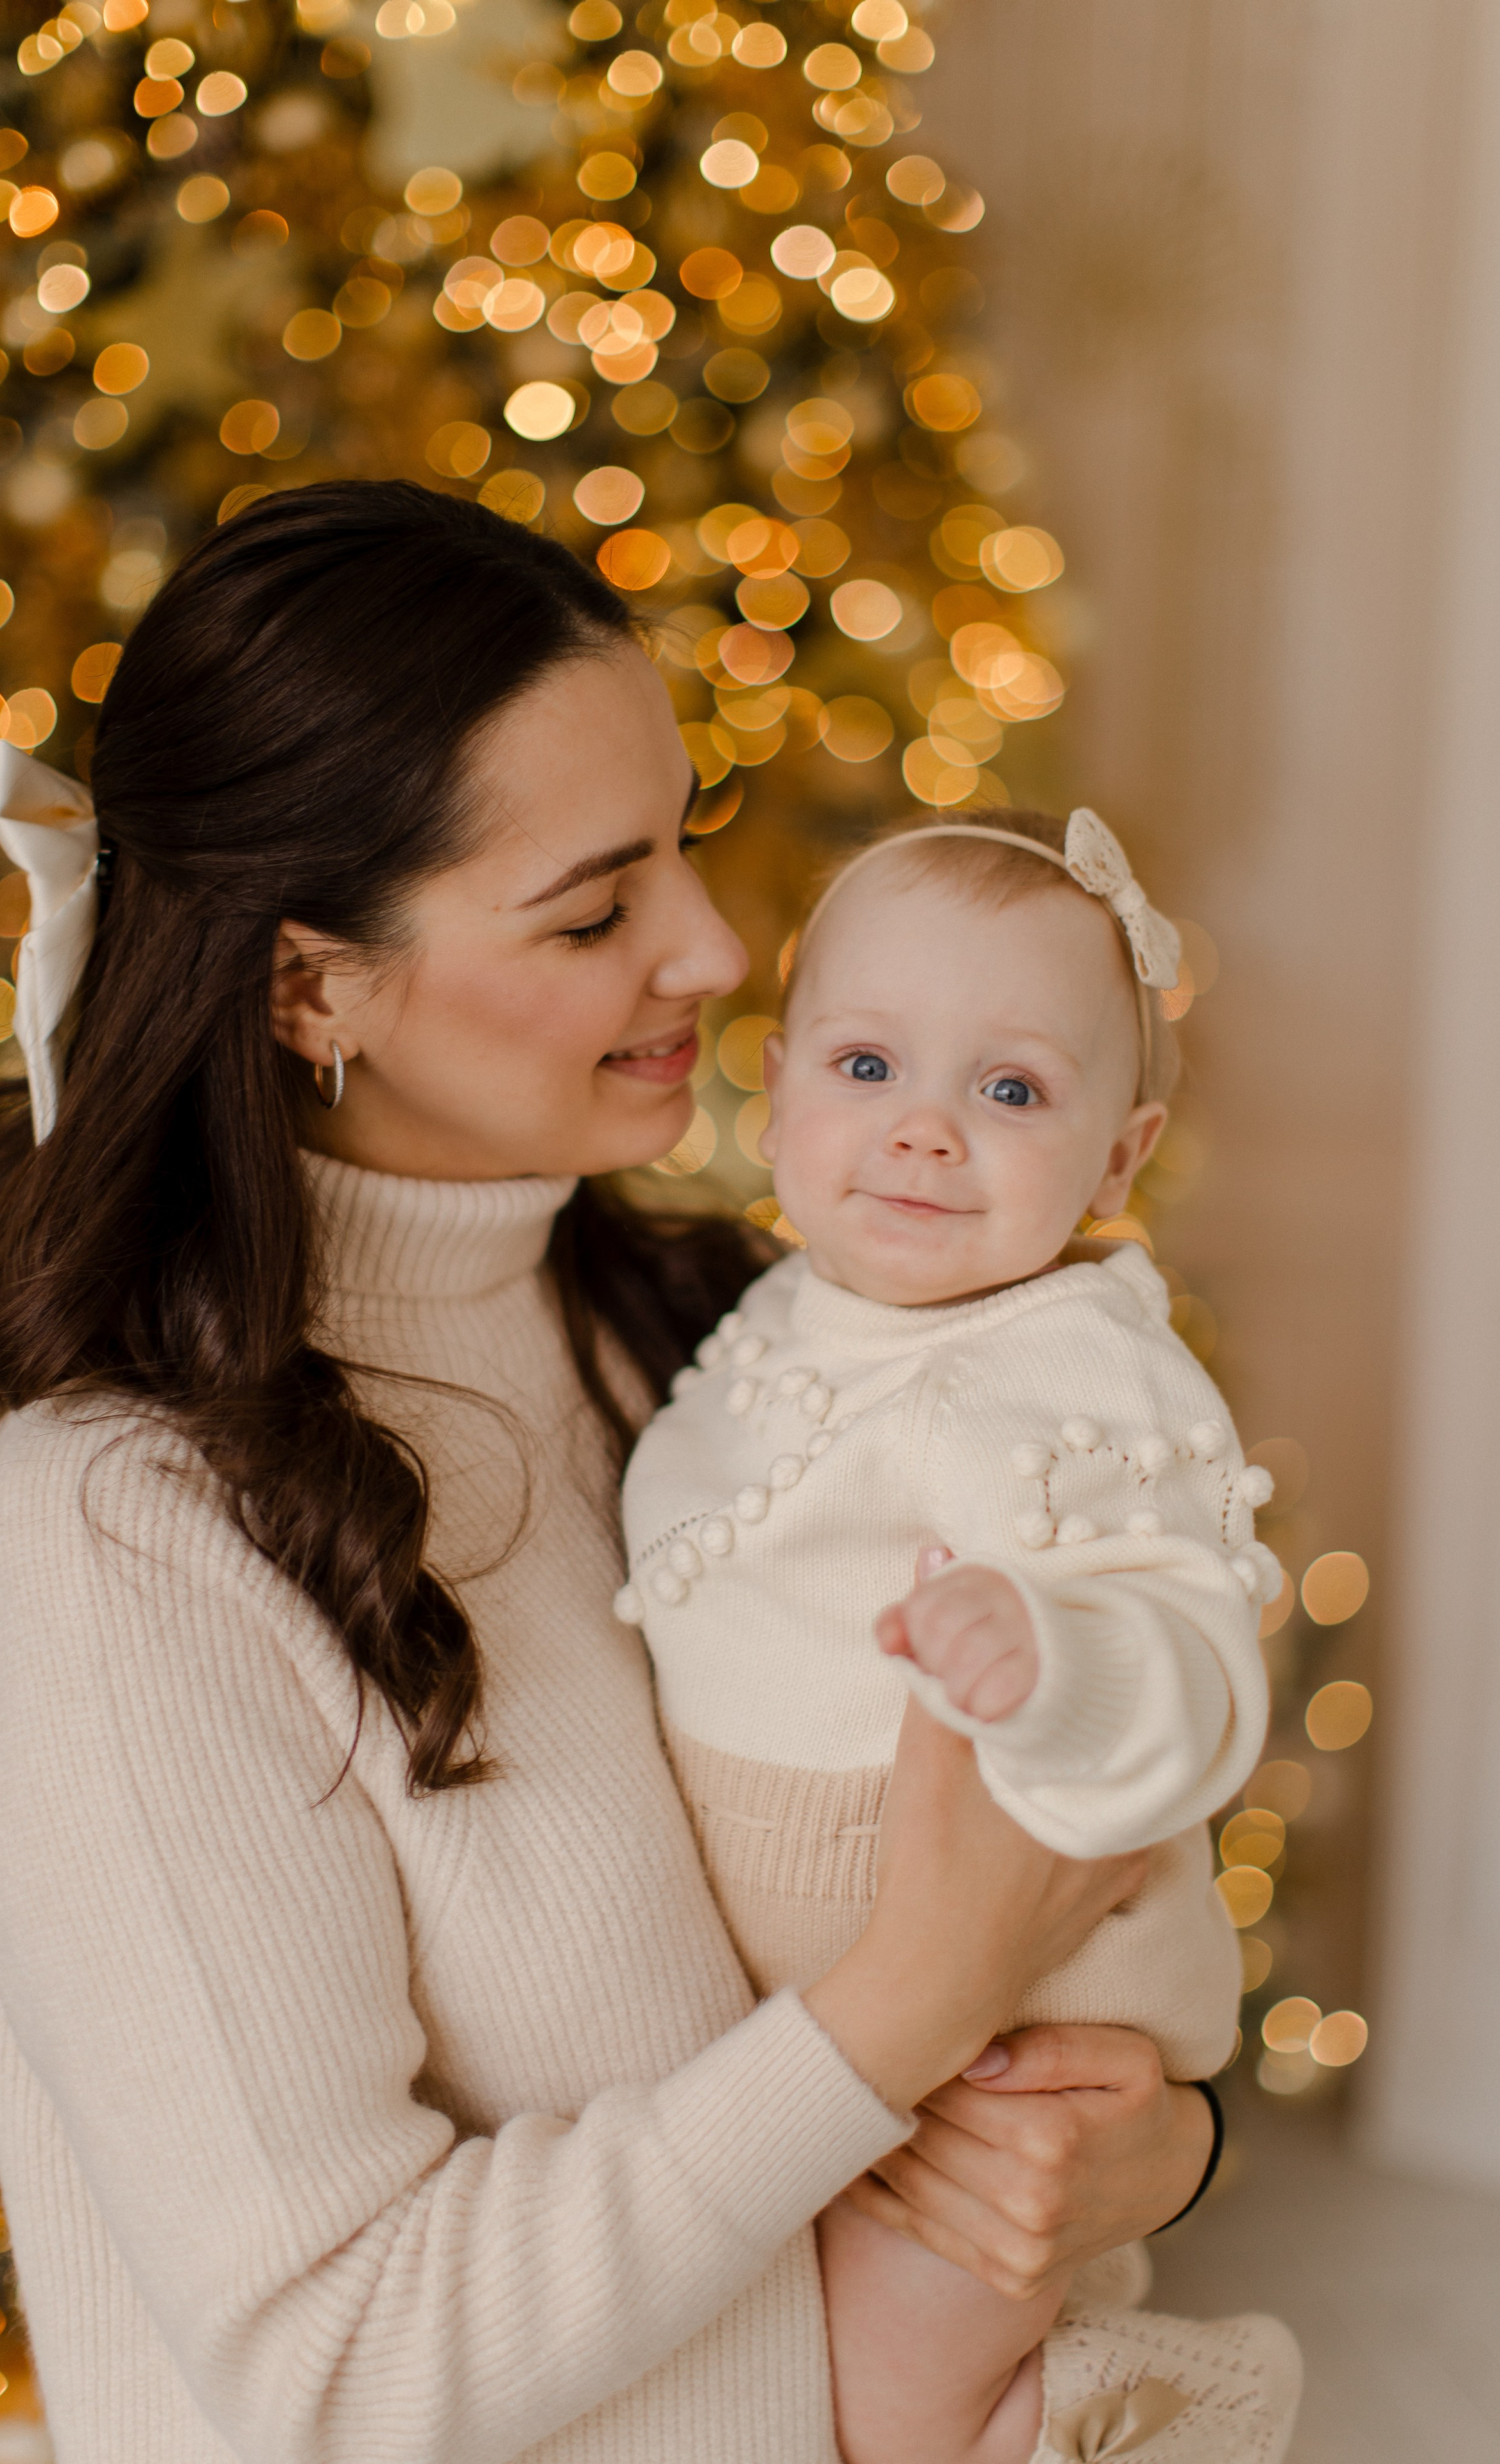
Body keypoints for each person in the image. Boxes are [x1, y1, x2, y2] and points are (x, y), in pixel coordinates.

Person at [0, 481, 1223, 2464]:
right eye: (596, 907)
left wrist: (1155, 2150)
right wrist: (905, 2011)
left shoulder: (715, 1344)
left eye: (688, 849)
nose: (717, 950)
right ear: (311, 989)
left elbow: (1084, 1890)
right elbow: (328, 2379)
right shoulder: (126, 1530)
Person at [619, 814, 1302, 2464]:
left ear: (1118, 1160)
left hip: (1008, 2031)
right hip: (814, 2012)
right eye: (866, 1066)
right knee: (774, 2371)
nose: (924, 1133)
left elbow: (1199, 1666)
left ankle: (1145, 2413)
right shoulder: (771, 1308)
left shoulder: (1072, 1364)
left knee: (877, 2417)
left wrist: (1053, 1662)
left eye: (1008, 1093)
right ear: (772, 1086)